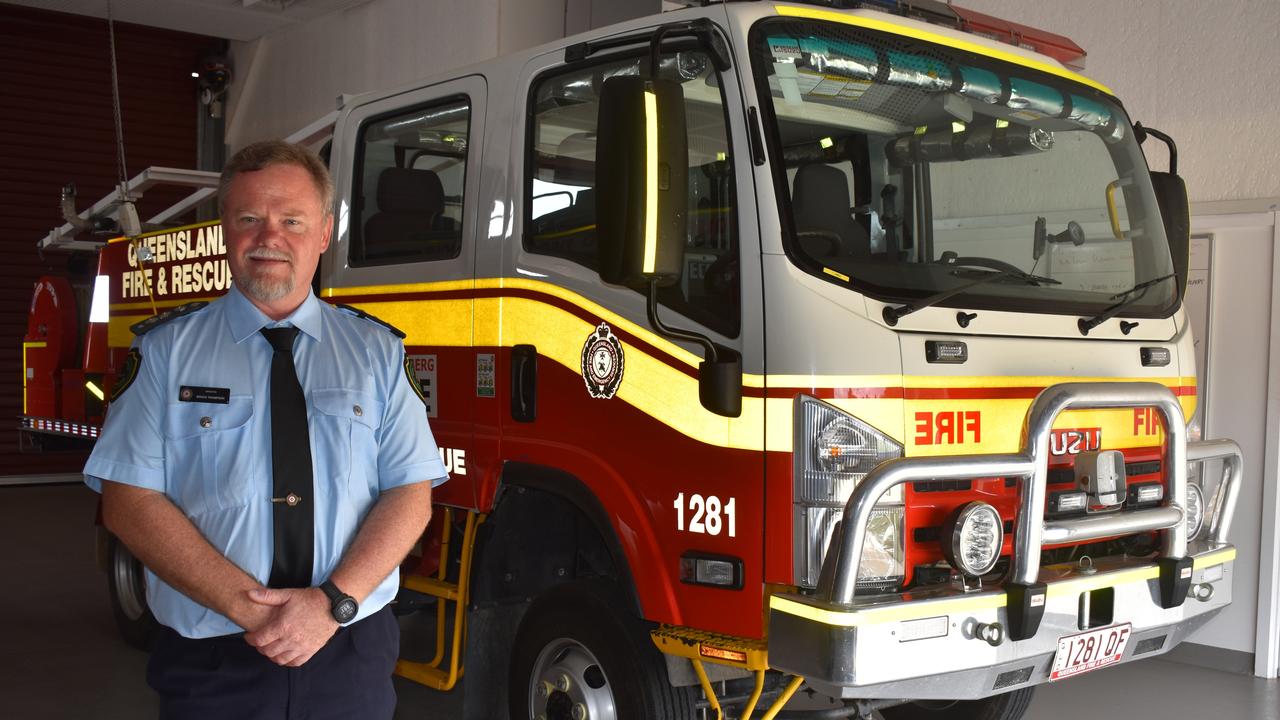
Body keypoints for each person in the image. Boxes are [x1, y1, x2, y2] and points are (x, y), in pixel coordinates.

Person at [84, 140, 448, 719]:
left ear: (324, 233)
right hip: (214, 657)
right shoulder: (165, 353)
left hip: (347, 648)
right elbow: (128, 500)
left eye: (293, 220)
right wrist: (263, 615)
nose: (270, 237)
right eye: (250, 218)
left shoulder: (376, 354)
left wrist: (329, 607)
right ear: (225, 231)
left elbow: (410, 492)